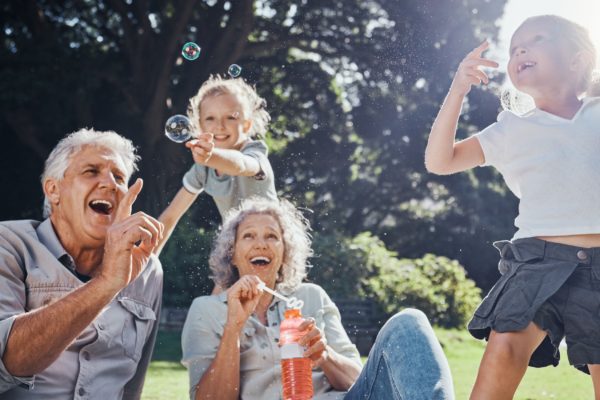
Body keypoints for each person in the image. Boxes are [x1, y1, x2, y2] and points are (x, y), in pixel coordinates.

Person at [424, 15, 600, 399]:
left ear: (577, 60)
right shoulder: (511, 129)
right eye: (514, 47)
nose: (520, 50)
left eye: (536, 40)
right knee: (504, 348)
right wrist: (457, 90)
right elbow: (440, 161)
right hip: (538, 258)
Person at [181, 197, 454, 400]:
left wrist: (325, 355)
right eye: (249, 236)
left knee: (409, 322)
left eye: (272, 236)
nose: (261, 244)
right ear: (232, 252)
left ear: (285, 253)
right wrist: (233, 329)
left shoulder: (311, 296)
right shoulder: (206, 310)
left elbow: (360, 382)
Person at [0, 128, 164, 399]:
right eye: (91, 171)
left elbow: (131, 387)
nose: (110, 184)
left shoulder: (148, 270)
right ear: (53, 190)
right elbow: (8, 361)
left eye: (119, 177)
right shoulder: (9, 244)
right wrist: (107, 284)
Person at [156, 75, 277, 256]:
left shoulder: (254, 152)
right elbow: (171, 216)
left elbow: (241, 164)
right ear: (199, 126)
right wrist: (147, 258)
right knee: (224, 284)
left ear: (246, 125)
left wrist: (211, 156)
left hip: (272, 243)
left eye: (230, 117)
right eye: (210, 118)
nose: (219, 126)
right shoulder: (203, 168)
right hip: (238, 248)